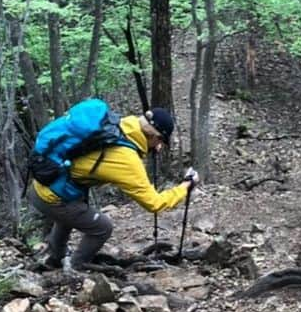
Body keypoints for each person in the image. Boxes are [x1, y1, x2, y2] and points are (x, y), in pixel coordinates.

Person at [28, 106, 198, 270]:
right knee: (102, 227)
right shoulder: (127, 159)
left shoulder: (120, 124)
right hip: (52, 197)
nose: (159, 147)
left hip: (44, 186)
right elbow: (154, 203)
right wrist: (185, 186)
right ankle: (75, 268)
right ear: (154, 136)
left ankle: (55, 260)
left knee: (71, 213)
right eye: (160, 141)